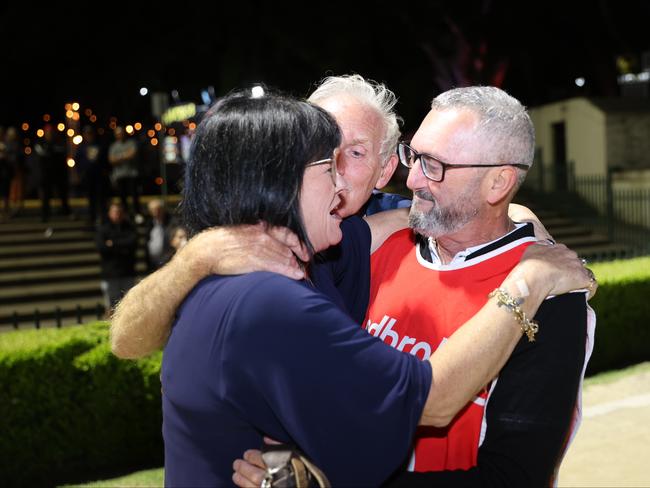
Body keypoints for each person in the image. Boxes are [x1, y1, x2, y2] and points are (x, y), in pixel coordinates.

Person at [128, 88, 592, 487]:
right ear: (281, 181)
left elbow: (514, 476)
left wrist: (523, 233)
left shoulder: (353, 238)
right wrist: (528, 281)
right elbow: (429, 399)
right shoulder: (265, 288)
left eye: (354, 154)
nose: (341, 184)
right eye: (326, 164)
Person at [96, 201, 138, 315]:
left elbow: (132, 243)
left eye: (119, 212)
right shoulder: (103, 229)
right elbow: (102, 247)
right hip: (110, 273)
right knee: (111, 305)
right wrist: (122, 246)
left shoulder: (129, 227)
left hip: (127, 272)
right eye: (115, 212)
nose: (117, 215)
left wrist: (113, 243)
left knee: (129, 304)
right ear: (110, 213)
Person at [74, 125, 111, 225]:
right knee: (91, 198)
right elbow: (77, 162)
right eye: (87, 133)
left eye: (90, 133)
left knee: (102, 198)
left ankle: (103, 217)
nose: (89, 135)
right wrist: (78, 174)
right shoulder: (81, 147)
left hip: (100, 176)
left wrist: (106, 171)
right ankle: (92, 218)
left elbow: (106, 160)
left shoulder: (100, 145)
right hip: (88, 176)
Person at [33, 124, 70, 222]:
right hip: (45, 174)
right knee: (45, 195)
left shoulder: (58, 142)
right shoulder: (41, 142)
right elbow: (41, 155)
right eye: (48, 132)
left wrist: (51, 151)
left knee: (62, 192)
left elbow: (61, 153)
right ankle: (45, 214)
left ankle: (65, 211)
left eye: (51, 132)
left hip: (58, 173)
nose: (49, 134)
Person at [108, 125, 142, 221]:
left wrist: (118, 157)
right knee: (122, 197)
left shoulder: (131, 143)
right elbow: (111, 160)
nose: (120, 135)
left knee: (134, 195)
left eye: (121, 133)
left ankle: (137, 213)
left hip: (132, 173)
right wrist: (125, 155)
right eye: (118, 134)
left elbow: (132, 154)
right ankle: (126, 214)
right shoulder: (113, 146)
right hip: (119, 175)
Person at [144, 198, 176, 271]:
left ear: (163, 209)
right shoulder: (149, 223)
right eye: (152, 209)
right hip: (153, 263)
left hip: (168, 262)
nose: (156, 212)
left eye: (158, 209)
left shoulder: (172, 223)